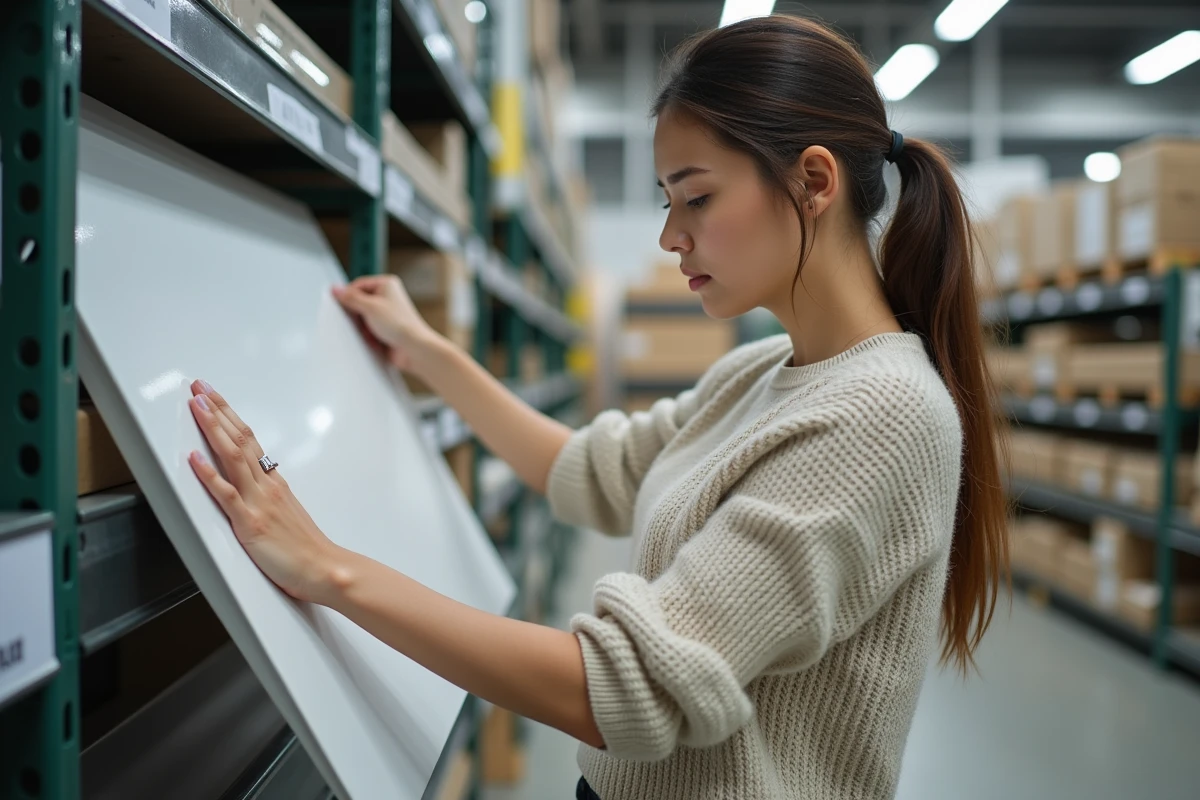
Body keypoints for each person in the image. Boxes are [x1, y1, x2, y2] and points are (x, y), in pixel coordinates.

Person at [185, 14, 1007, 800]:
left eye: (697, 198)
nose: (670, 237)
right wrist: (430, 353)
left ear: (815, 181)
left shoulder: (882, 416)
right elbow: (591, 472)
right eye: (666, 203)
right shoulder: (764, 373)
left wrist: (328, 568)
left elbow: (627, 688)